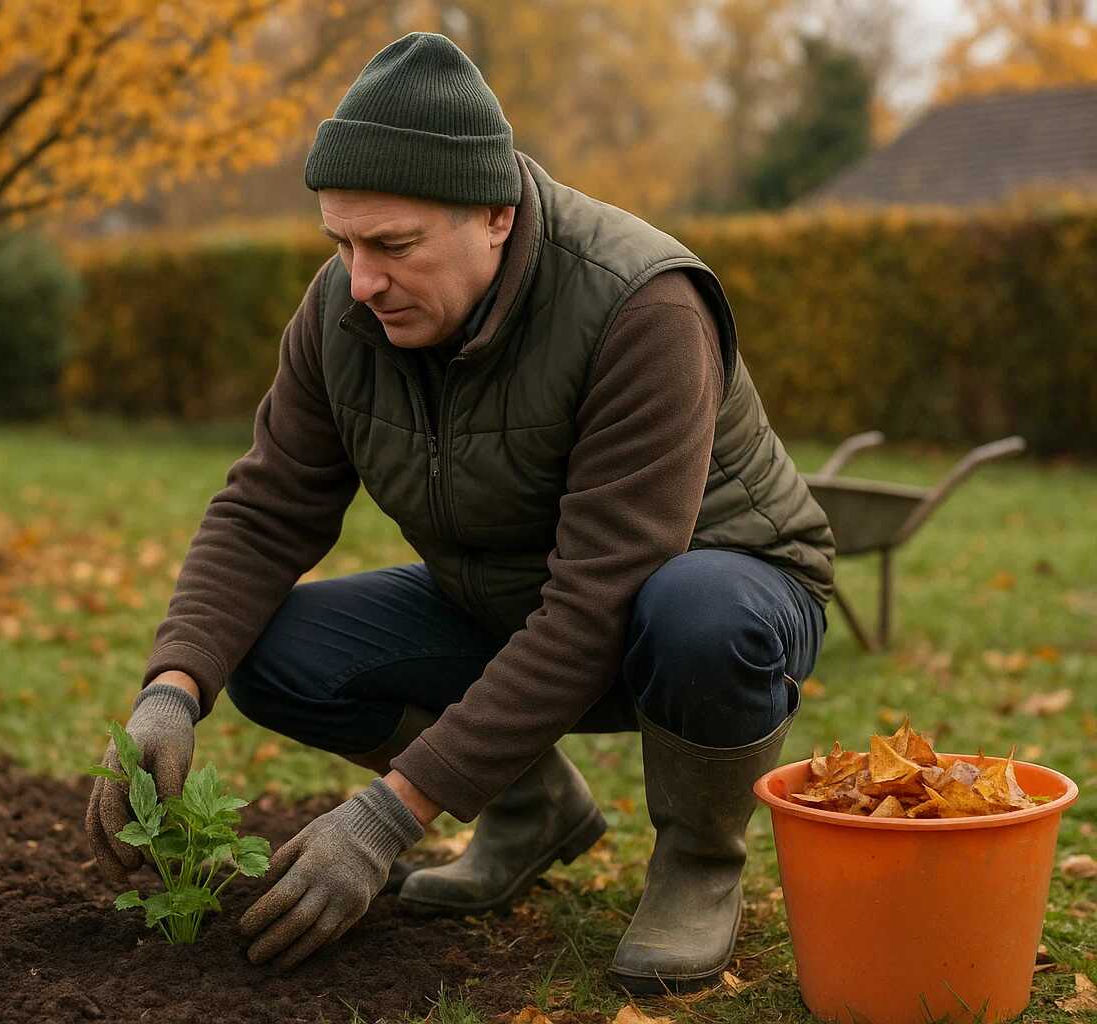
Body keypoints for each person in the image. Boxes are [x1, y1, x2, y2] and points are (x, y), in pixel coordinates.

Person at [85, 31, 834, 993]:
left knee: (699, 610)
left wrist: (388, 816)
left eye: (392, 245)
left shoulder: (642, 306)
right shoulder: (343, 310)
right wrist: (171, 689)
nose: (361, 280)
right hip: (509, 598)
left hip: (713, 602)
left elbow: (601, 597)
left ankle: (698, 861)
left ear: (495, 214)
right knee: (276, 651)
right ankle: (530, 811)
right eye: (342, 243)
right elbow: (266, 508)